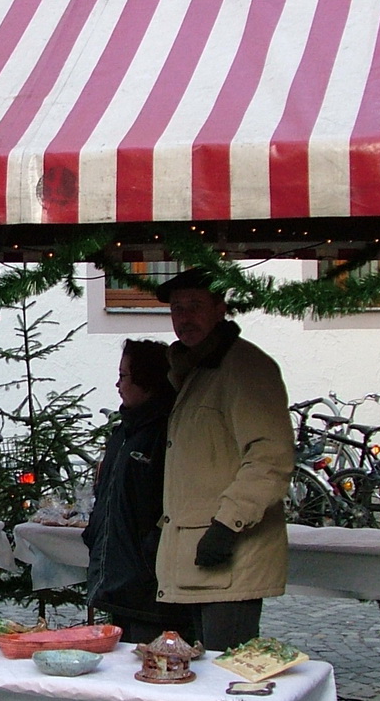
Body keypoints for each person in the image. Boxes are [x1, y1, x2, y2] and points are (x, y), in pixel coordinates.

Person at [152, 269, 295, 653]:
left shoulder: (245, 368)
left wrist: (227, 526)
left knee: (227, 676)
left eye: (195, 306)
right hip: (195, 557)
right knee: (199, 673)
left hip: (231, 558)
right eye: (177, 309)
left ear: (220, 308)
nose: (184, 317)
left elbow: (270, 457)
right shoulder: (197, 370)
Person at [82, 339, 193, 643]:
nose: (117, 385)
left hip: (150, 585)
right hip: (120, 580)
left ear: (146, 379)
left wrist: (150, 549)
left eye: (124, 376)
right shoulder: (124, 432)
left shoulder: (167, 432)